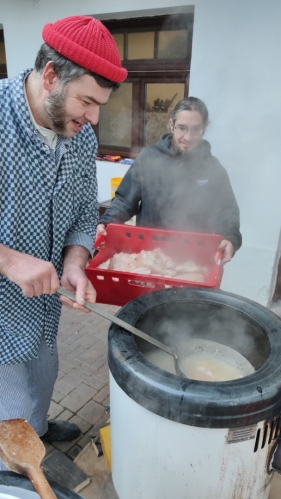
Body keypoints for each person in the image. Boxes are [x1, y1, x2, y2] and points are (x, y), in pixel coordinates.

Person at [0, 14, 127, 463]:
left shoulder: (80, 137)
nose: (93, 118)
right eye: (87, 101)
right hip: (1, 315)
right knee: (8, 420)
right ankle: (19, 472)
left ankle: (40, 426)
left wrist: (75, 261)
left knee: (44, 375)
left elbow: (78, 215)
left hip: (45, 309)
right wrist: (11, 261)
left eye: (100, 106)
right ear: (51, 75)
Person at [97, 97, 242, 263]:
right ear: (171, 125)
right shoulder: (148, 158)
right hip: (149, 256)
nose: (188, 137)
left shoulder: (213, 168)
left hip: (195, 258)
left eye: (196, 129)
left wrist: (231, 238)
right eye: (182, 128)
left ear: (205, 128)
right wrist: (106, 224)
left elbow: (227, 210)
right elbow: (124, 201)